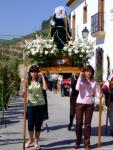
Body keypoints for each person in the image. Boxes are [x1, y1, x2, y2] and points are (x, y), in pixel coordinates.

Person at [23, 65, 48, 149]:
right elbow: (24, 92)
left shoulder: (40, 81)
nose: (33, 73)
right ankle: (30, 140)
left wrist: (43, 76)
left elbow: (45, 88)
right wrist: (23, 94)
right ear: (30, 73)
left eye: (35, 72)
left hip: (40, 105)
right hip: (31, 105)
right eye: (32, 72)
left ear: (37, 73)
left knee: (38, 125)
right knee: (30, 125)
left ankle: (36, 142)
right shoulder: (27, 82)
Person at [75, 65, 99, 150]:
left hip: (89, 104)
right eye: (87, 71)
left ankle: (87, 144)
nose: (89, 73)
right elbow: (77, 88)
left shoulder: (94, 81)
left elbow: (96, 93)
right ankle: (78, 141)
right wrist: (80, 77)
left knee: (87, 124)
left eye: (90, 71)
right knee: (78, 123)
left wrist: (100, 95)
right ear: (84, 72)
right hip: (80, 103)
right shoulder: (81, 79)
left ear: (92, 72)